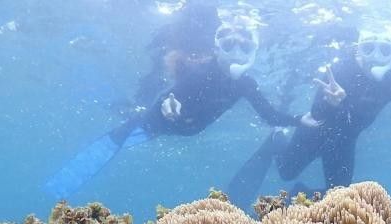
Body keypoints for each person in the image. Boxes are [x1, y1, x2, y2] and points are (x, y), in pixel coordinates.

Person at [45, 15, 312, 199]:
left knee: (134, 121)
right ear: (217, 48)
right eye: (229, 45)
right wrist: (167, 104)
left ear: (252, 51)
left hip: (188, 129)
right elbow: (171, 93)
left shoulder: (246, 84)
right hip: (161, 120)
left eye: (244, 46)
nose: (236, 52)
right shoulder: (201, 71)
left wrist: (301, 119)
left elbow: (270, 115)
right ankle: (61, 184)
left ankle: (126, 109)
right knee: (126, 128)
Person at [227, 27, 391, 204]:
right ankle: (277, 138)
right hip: (313, 133)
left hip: (345, 142)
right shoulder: (341, 70)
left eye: (385, 50)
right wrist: (331, 103)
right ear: (359, 49)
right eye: (368, 48)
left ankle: (300, 194)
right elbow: (316, 114)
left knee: (339, 195)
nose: (375, 56)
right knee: (286, 172)